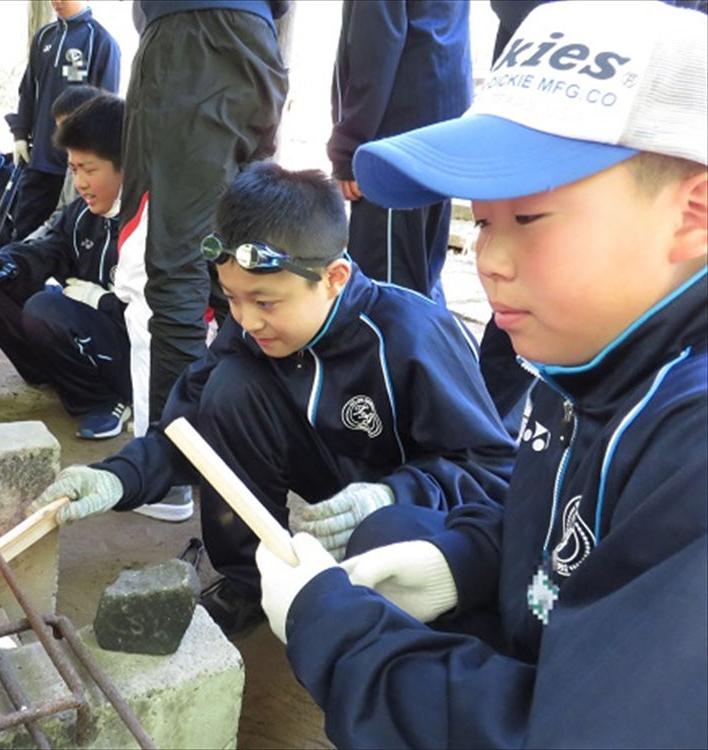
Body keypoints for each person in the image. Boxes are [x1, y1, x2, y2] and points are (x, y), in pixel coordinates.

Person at [254, 3, 707, 747]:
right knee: (395, 527)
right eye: (483, 220)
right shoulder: (590, 361)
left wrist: (341, 638)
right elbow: (567, 529)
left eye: (528, 218)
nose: (487, 260)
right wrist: (461, 560)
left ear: (693, 214)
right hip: (574, 650)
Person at [34, 162, 516, 636]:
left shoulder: (412, 335)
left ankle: (399, 640)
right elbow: (189, 428)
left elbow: (492, 470)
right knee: (227, 388)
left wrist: (391, 495)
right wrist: (117, 477)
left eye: (265, 302)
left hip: (404, 506)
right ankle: (252, 582)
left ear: (334, 278)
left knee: (388, 539)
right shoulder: (251, 332)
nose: (246, 321)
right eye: (232, 299)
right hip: (328, 484)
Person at [114, 0, 290, 444]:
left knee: (172, 264)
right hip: (258, 40)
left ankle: (172, 463)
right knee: (238, 255)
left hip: (185, 43)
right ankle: (235, 443)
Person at [0, 95, 132, 441]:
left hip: (132, 352)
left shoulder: (148, 223)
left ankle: (105, 400)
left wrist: (102, 301)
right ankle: (50, 371)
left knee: (46, 307)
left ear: (127, 165)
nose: (81, 183)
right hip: (92, 328)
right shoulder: (80, 216)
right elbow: (41, 251)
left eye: (90, 170)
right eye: (74, 170)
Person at [328, 1, 471, 304]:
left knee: (386, 291)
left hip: (395, 133)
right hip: (442, 114)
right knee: (422, 277)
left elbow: (375, 47)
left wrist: (349, 149)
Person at [6, 0, 119, 240]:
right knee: (25, 230)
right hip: (40, 159)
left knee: (66, 234)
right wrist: (20, 134)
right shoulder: (44, 37)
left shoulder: (100, 41)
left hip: (76, 166)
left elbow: (107, 107)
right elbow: (27, 90)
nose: (56, 2)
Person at [22, 84, 103, 242]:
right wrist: (31, 244)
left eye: (70, 129)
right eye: (60, 130)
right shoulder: (71, 164)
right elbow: (61, 214)